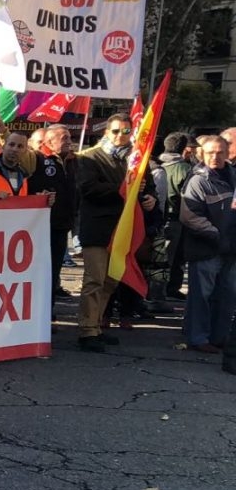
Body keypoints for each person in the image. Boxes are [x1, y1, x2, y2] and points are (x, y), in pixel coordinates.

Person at [74, 114, 156, 352]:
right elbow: (89, 189)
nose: (121, 136)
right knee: (95, 279)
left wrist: (150, 198)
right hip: (98, 228)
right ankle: (87, 330)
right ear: (106, 132)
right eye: (116, 131)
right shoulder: (88, 157)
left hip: (122, 229)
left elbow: (145, 186)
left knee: (111, 280)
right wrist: (125, 188)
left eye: (126, 131)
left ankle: (96, 325)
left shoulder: (135, 159)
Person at [179, 135, 236, 354]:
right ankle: (198, 338)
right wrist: (218, 236)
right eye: (210, 152)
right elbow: (190, 216)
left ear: (227, 152)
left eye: (220, 152)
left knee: (227, 295)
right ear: (201, 154)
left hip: (232, 250)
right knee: (201, 295)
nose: (215, 156)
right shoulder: (198, 180)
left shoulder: (233, 175)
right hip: (206, 249)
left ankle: (219, 337)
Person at [33, 125, 78, 298]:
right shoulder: (37, 158)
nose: (69, 141)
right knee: (40, 272)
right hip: (41, 226)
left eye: (69, 137)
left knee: (53, 271)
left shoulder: (74, 161)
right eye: (64, 138)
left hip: (62, 226)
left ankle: (48, 313)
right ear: (50, 142)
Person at [152, 132, 195, 302]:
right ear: (184, 150)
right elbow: (188, 197)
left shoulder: (157, 164)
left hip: (160, 217)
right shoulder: (185, 169)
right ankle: (161, 294)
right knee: (173, 258)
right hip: (176, 218)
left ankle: (162, 291)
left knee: (161, 257)